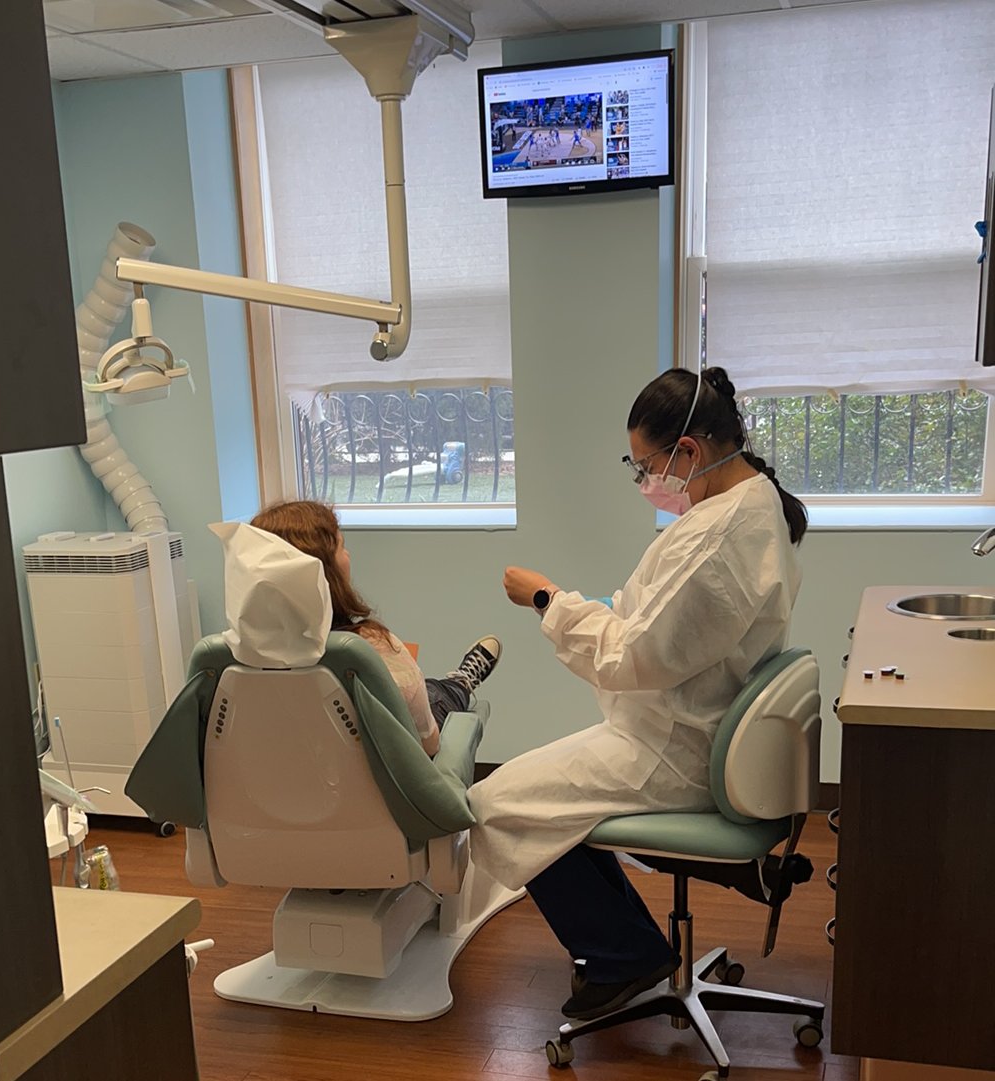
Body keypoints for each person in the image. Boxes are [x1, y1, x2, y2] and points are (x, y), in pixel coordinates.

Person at [467, 365, 807, 1021]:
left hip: (672, 746)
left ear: (689, 451)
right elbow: (652, 618)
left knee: (496, 805)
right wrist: (595, 608)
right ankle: (633, 946)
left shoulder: (718, 537)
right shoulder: (749, 501)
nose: (646, 480)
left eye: (646, 466)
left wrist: (547, 600)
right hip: (685, 723)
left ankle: (623, 956)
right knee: (538, 801)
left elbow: (629, 659)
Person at [251, 500, 502, 757]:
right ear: (324, 571)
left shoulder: (237, 658)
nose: (348, 555)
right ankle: (461, 683)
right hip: (373, 776)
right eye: (342, 546)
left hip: (284, 775)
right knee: (436, 695)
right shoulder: (368, 649)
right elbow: (428, 744)